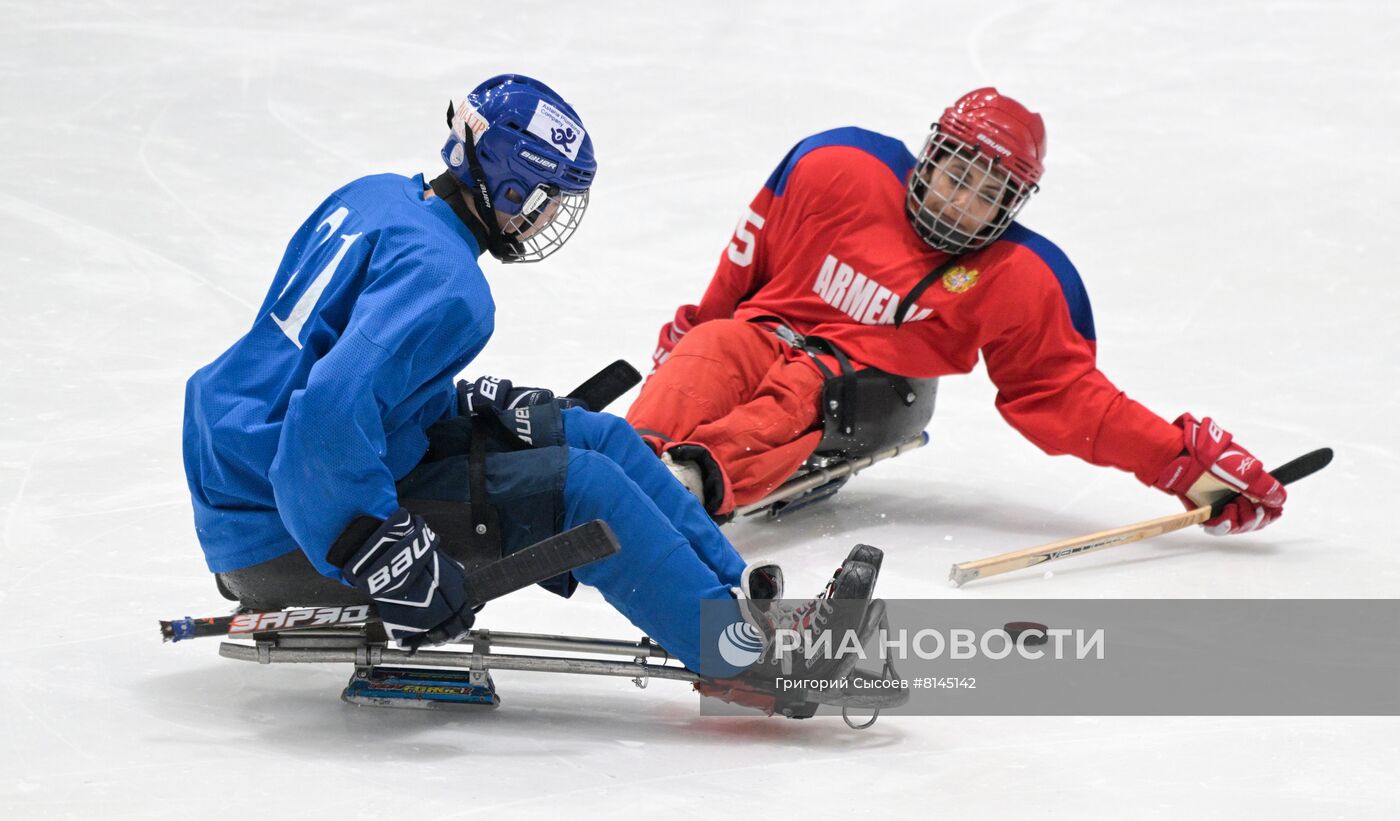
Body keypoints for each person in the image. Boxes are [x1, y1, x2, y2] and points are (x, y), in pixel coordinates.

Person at [181, 74, 878, 686]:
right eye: (549, 197)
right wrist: (374, 547)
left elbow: (318, 362)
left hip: (249, 470)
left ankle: (733, 591)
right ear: (514, 184)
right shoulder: (450, 285)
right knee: (586, 491)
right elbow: (327, 419)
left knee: (594, 435)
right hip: (283, 527)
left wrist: (446, 402)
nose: (549, 216)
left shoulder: (377, 197)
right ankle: (747, 658)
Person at [626, 88, 1287, 534]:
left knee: (799, 388)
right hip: (767, 335)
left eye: (987, 191)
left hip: (864, 389)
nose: (959, 199)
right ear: (931, 155)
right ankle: (621, 463)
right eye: (955, 172)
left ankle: (689, 479)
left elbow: (1070, 399)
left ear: (1010, 206)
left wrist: (1181, 462)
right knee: (713, 345)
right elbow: (747, 259)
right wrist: (695, 327)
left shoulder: (1020, 277)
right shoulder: (836, 165)